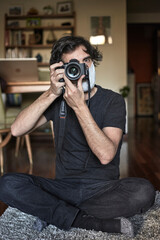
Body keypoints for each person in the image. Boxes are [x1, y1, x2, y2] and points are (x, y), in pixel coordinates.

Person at [0, 36, 155, 237]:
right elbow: (17, 130)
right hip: (62, 187)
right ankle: (86, 220)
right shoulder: (57, 99)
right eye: (74, 64)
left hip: (102, 189)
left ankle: (54, 212)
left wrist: (79, 106)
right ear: (61, 70)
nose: (83, 68)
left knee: (144, 191)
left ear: (93, 62)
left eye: (86, 61)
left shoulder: (113, 101)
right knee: (7, 184)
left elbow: (106, 155)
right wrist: (51, 92)